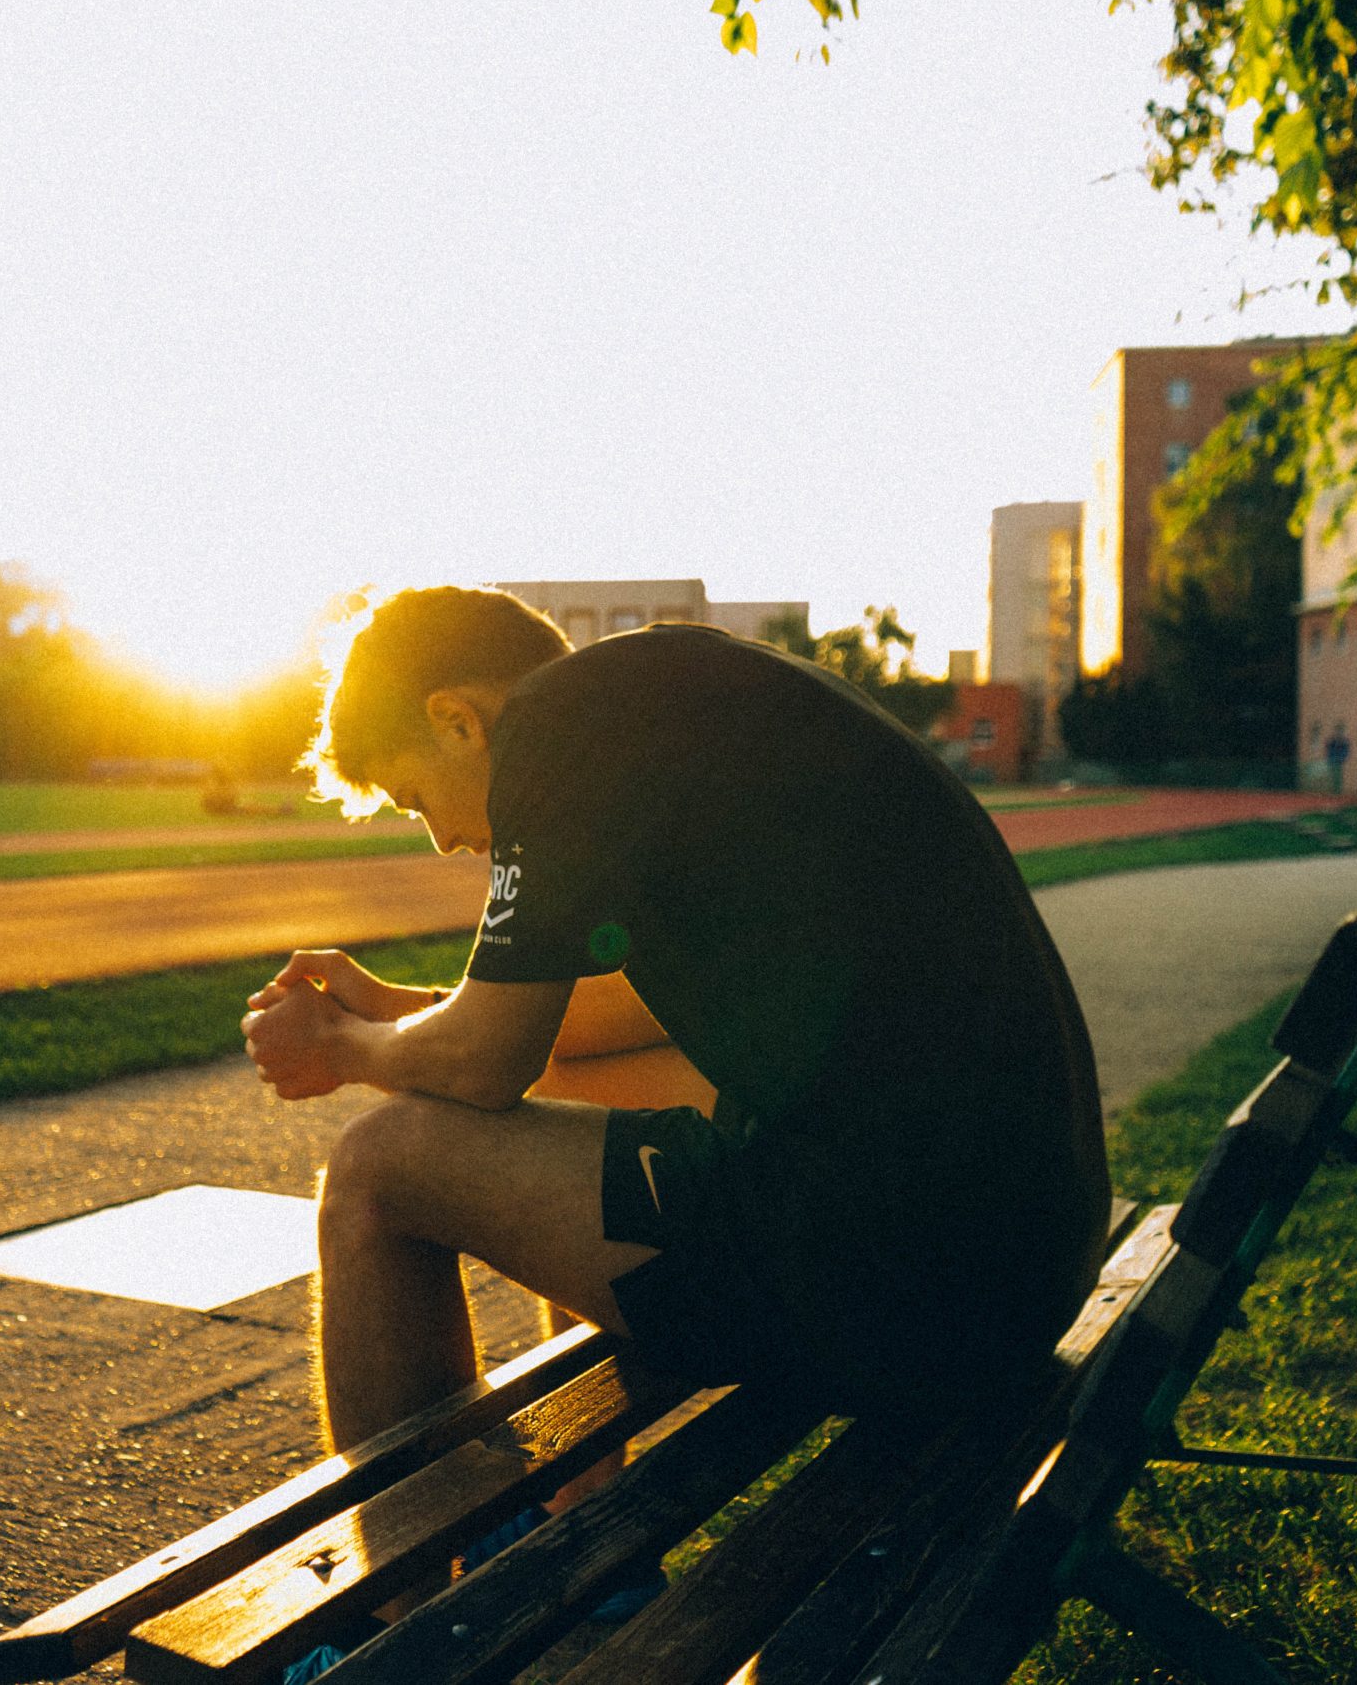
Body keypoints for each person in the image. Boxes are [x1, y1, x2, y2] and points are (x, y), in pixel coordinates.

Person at [240, 588, 1108, 1638]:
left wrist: (342, 1049)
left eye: (416, 796)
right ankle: (577, 1540)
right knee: (589, 1110)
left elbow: (485, 1065)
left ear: (459, 719)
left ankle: (385, 1633)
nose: (442, 841)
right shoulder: (672, 702)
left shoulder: (553, 736)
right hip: (1014, 1257)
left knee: (382, 1166)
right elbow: (592, 1023)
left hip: (902, 1288)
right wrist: (401, 1014)